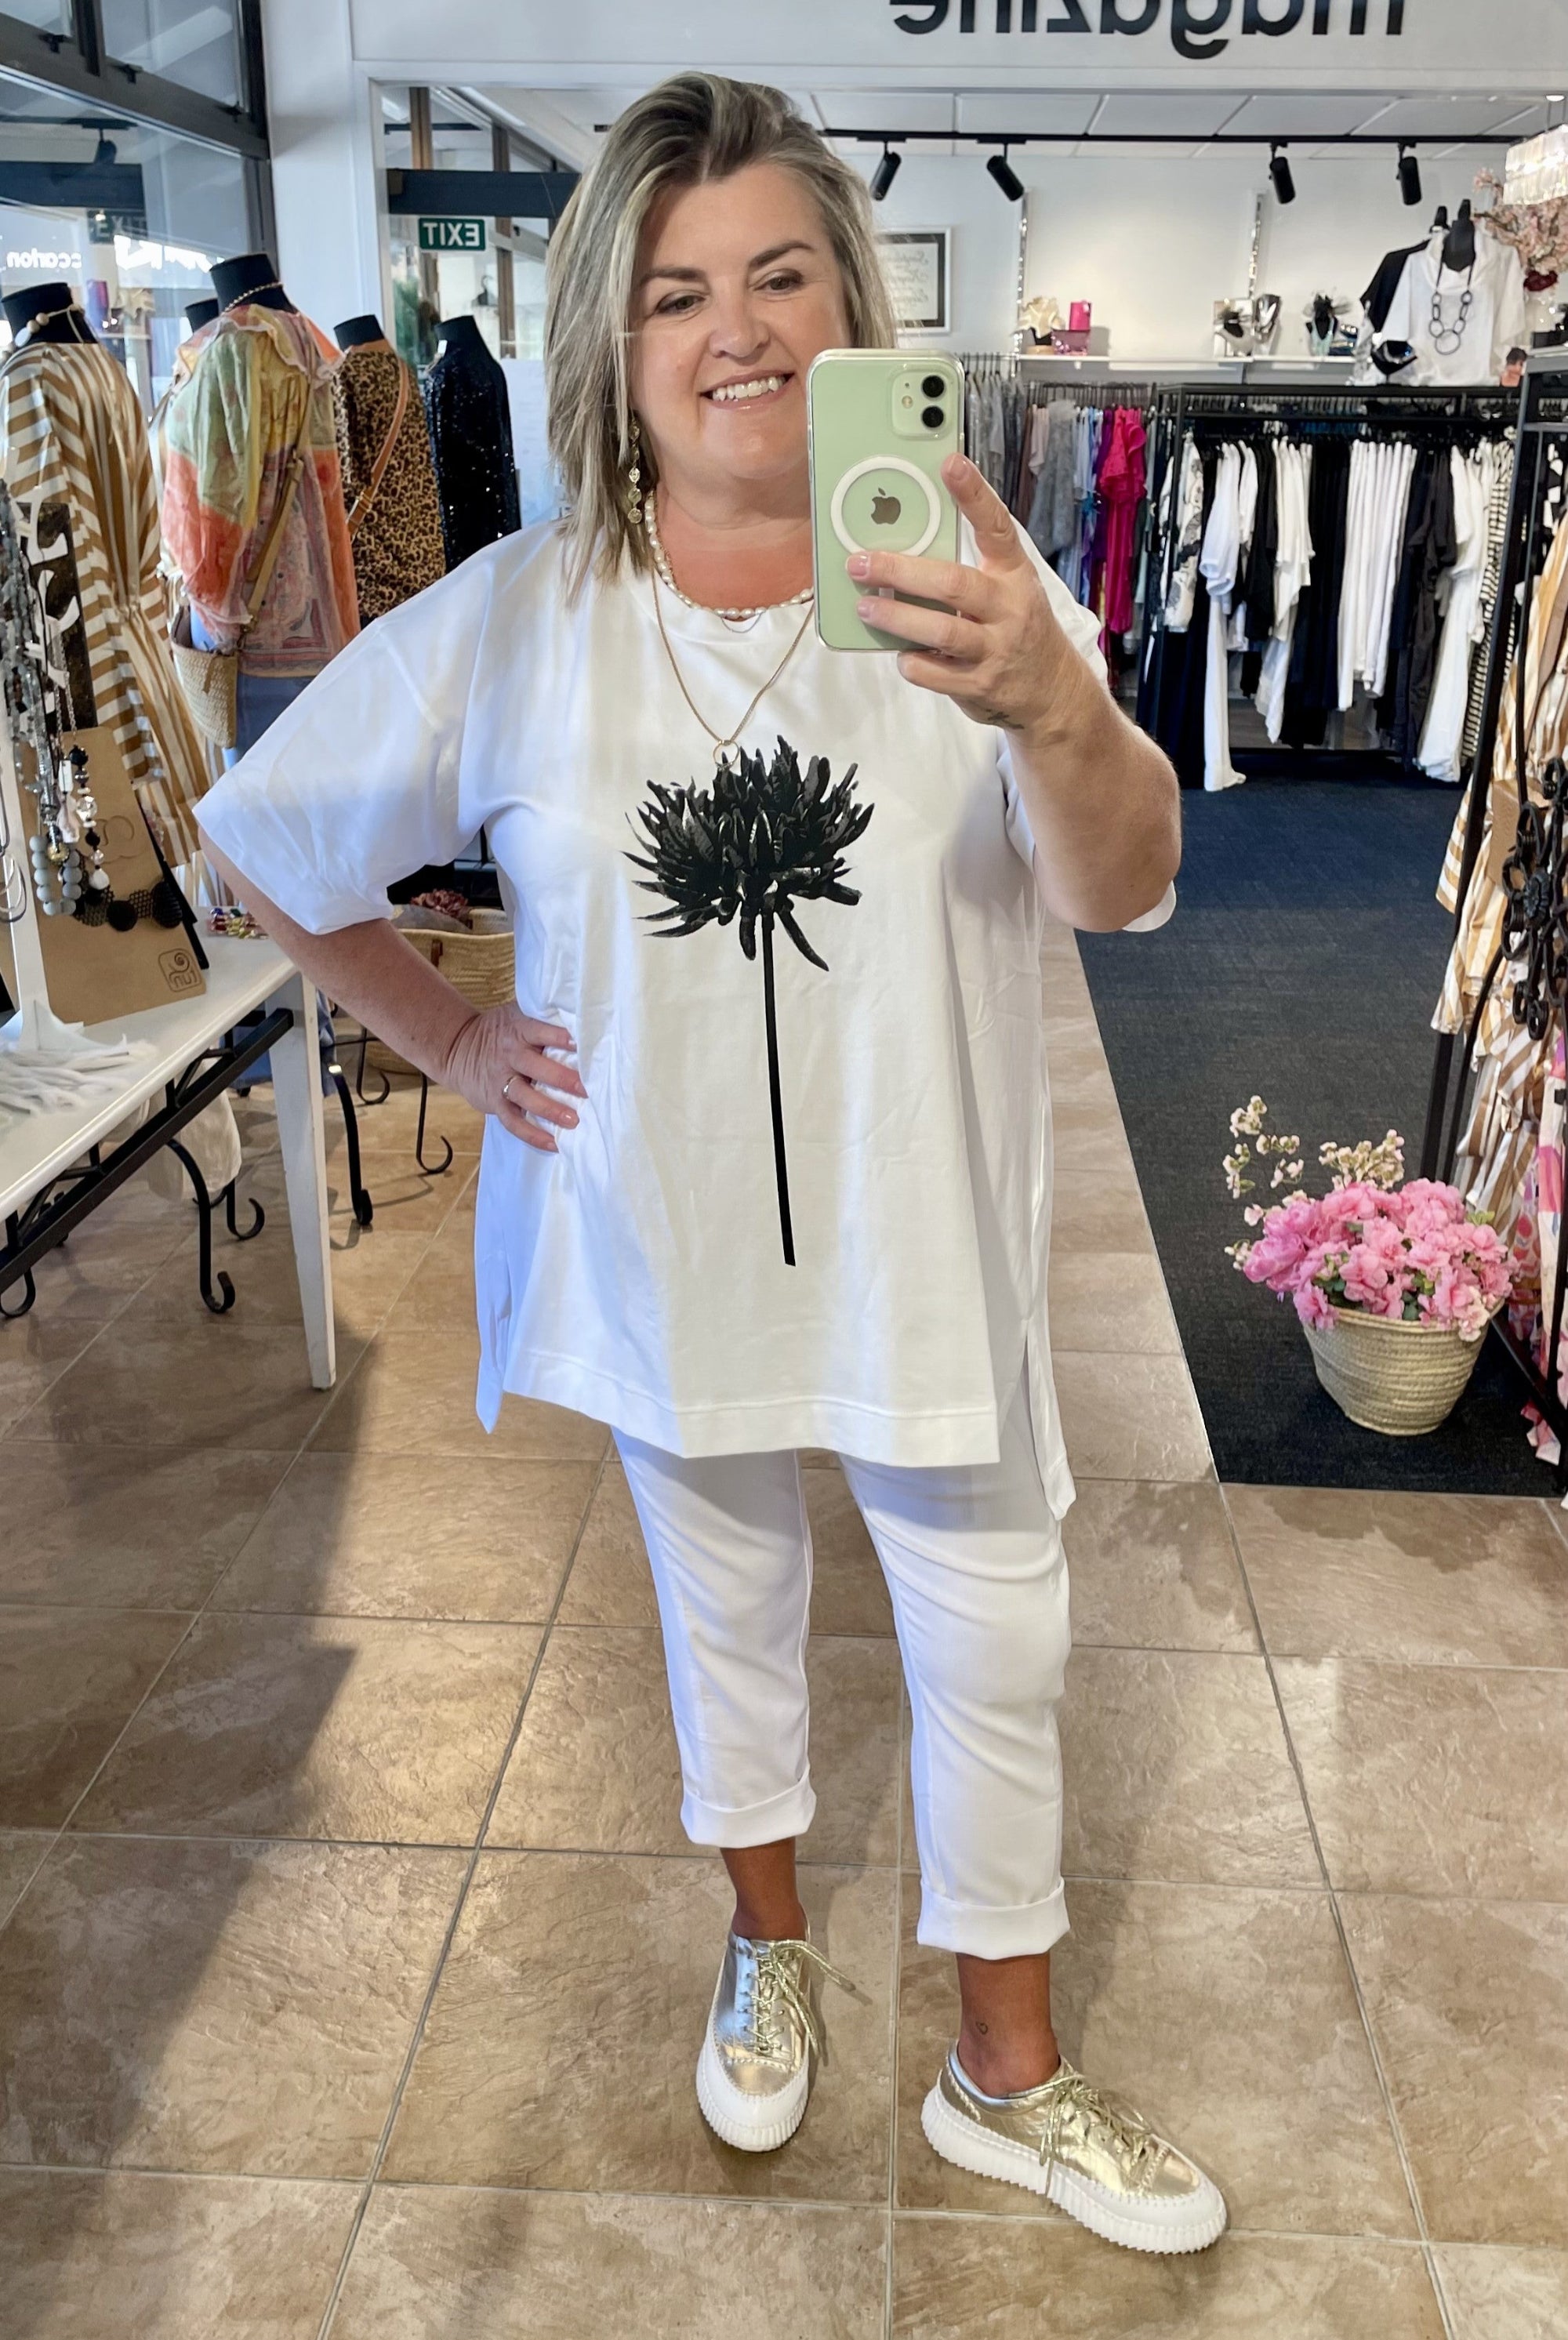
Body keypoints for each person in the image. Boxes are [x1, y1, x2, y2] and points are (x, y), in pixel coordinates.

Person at [199, 73, 1221, 2256]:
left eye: (779, 275)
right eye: (678, 292)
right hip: (668, 1246)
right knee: (726, 1612)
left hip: (925, 1245)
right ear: (612, 337)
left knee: (1001, 1640)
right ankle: (768, 1941)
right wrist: (449, 1029)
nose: (736, 329)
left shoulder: (966, 573)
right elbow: (268, 839)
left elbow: (1126, 881)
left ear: (850, 306)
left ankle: (1004, 2071)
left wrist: (1050, 699)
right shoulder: (524, 613)